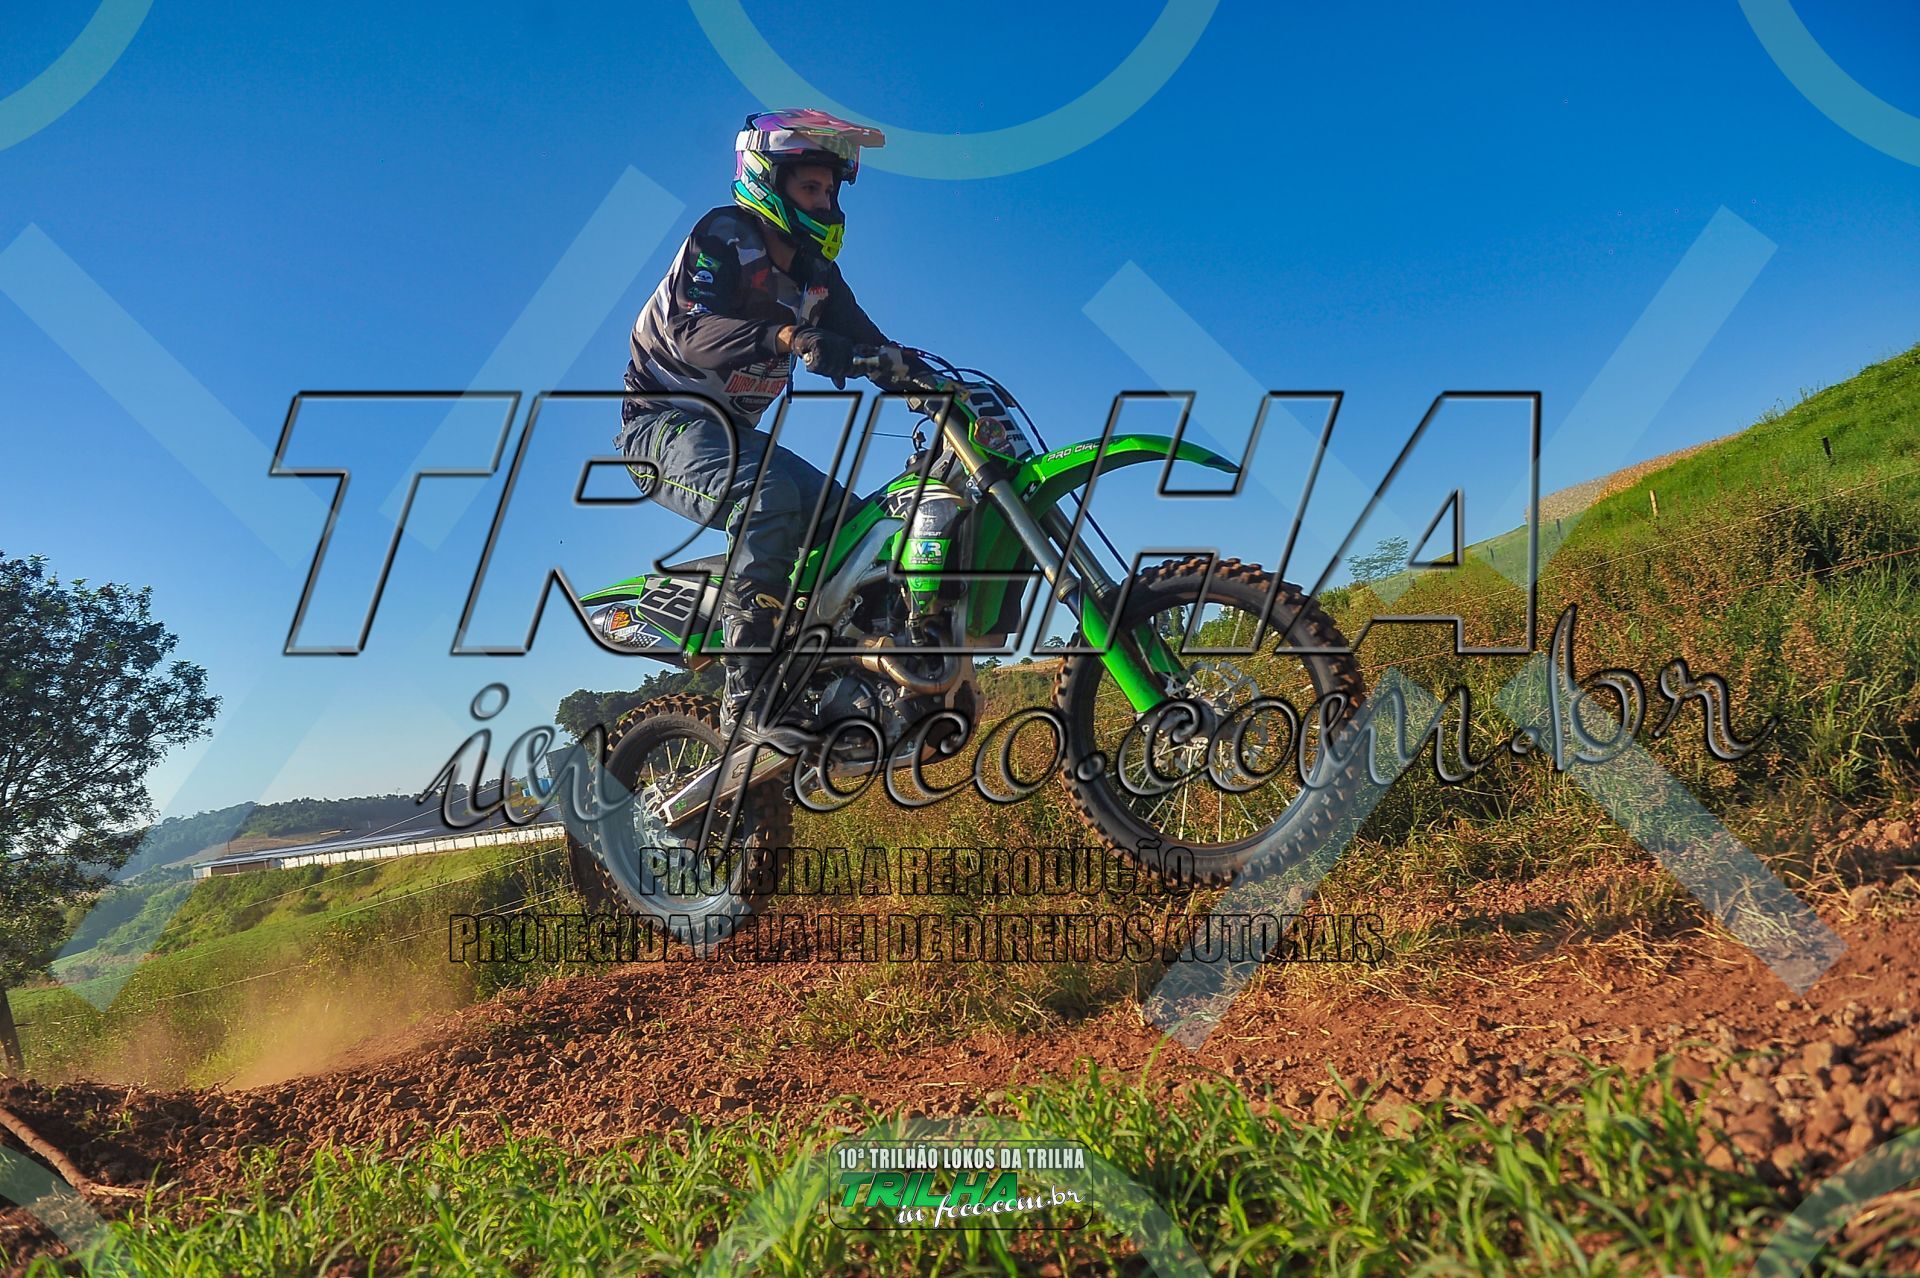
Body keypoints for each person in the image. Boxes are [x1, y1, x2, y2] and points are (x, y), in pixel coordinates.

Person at [617, 108, 908, 749]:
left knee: (861, 528)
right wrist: (788, 336)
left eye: (830, 191)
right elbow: (691, 332)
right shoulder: (724, 236)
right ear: (767, 180)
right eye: (810, 187)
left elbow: (870, 343)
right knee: (767, 498)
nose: (824, 203)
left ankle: (851, 681)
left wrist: (926, 379)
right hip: (659, 428)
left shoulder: (817, 276)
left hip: (735, 438)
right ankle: (746, 695)